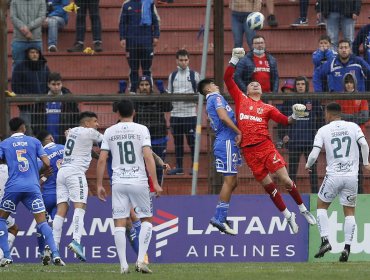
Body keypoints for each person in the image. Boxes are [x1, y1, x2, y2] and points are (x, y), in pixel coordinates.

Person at [224, 48, 316, 233]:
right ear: (247, 90)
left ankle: (303, 209)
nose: (255, 85)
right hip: (249, 152)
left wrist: (295, 116)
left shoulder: (267, 108)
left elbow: (285, 120)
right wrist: (234, 59)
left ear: (262, 91)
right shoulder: (241, 99)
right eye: (251, 84)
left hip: (266, 147)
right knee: (270, 187)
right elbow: (227, 79)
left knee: (286, 180)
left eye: (257, 84)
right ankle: (288, 216)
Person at [96, 99, 163, 274]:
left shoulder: (109, 131)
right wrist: (155, 182)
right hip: (138, 180)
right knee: (146, 219)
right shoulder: (142, 129)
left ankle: (123, 265)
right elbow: (148, 157)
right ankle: (141, 260)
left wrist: (99, 184)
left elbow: (102, 159)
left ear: (117, 113)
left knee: (119, 222)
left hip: (118, 181)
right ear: (134, 112)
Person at [305, 102, 370, 262]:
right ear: (340, 113)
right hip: (351, 177)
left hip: (333, 176)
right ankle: (347, 248)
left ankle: (325, 241)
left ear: (328, 114)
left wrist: (308, 165)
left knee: (321, 206)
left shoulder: (323, 130)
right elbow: (363, 143)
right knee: (349, 212)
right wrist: (366, 162)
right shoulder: (353, 126)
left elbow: (314, 153)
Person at [0, 117, 64, 266]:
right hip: (32, 187)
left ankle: (7, 256)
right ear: (24, 127)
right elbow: (47, 162)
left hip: (13, 187)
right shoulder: (34, 141)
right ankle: (55, 254)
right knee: (42, 222)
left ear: (11, 130)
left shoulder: (4, 144)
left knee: (2, 219)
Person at [52, 111, 103, 262]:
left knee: (61, 210)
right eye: (95, 121)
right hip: (76, 172)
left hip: (62, 173)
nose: (97, 124)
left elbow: (85, 149)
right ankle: (76, 241)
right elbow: (107, 141)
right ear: (87, 123)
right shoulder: (89, 132)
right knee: (80, 207)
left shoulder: (72, 131)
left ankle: (54, 249)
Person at [198, 78, 242, 235]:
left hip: (225, 141)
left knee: (233, 181)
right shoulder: (216, 97)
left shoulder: (211, 101)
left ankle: (220, 216)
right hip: (226, 142)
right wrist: (238, 131)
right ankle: (219, 217)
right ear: (208, 89)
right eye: (214, 84)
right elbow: (223, 116)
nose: (217, 86)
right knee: (230, 180)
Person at [280, 76, 324, 193]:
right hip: (294, 141)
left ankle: (315, 194)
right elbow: (281, 120)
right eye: (298, 84)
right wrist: (283, 135)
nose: (300, 86)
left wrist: (319, 136)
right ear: (295, 86)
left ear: (306, 86)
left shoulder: (313, 100)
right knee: (292, 171)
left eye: (302, 84)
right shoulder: (288, 101)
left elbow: (321, 120)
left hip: (310, 141)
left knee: (312, 170)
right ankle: (291, 194)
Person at [133, 76, 172, 184]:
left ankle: (157, 188)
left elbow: (168, 107)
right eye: (142, 85)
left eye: (147, 84)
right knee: (140, 166)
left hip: (159, 139)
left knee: (159, 166)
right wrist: (122, 93)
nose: (144, 87)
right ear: (138, 87)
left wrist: (163, 91)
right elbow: (118, 108)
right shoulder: (134, 100)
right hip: (140, 140)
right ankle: (143, 189)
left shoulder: (158, 98)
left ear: (150, 86)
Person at [166, 49, 200, 175]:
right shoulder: (172, 76)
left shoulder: (194, 75)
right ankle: (179, 167)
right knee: (178, 143)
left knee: (192, 143)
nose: (184, 62)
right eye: (181, 60)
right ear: (177, 60)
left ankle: (194, 167)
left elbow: (200, 93)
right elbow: (169, 93)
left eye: (186, 60)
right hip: (175, 115)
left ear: (189, 60)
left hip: (190, 115)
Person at [336, 73, 369, 194]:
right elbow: (337, 116)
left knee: (358, 167)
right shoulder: (339, 98)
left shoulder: (361, 97)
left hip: (358, 137)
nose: (349, 85)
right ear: (344, 84)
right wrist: (355, 117)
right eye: (347, 82)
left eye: (351, 82)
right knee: (343, 166)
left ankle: (359, 192)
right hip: (343, 138)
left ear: (355, 83)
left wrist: (346, 118)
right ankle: (344, 192)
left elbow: (365, 117)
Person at [35, 130, 64, 265]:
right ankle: (54, 253)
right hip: (62, 195)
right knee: (55, 224)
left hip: (46, 194)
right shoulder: (64, 148)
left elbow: (34, 174)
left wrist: (44, 177)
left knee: (41, 223)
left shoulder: (41, 155)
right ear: (52, 138)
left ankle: (43, 252)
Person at [119, 0, 160, 93]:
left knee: (147, 69)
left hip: (146, 43)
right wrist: (122, 37)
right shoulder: (126, 5)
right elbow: (122, 23)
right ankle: (133, 90)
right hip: (132, 43)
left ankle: (149, 90)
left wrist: (156, 36)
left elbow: (155, 21)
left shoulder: (149, 3)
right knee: (133, 69)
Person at [11, 47, 50, 136]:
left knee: (41, 130)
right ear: (27, 54)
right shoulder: (20, 67)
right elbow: (15, 86)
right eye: (32, 52)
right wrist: (28, 97)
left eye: (37, 52)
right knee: (26, 129)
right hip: (26, 106)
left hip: (41, 106)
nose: (35, 54)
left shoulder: (44, 67)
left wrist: (43, 95)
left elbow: (49, 82)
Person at [32, 72, 80, 144]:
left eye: (58, 84)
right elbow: (34, 120)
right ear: (48, 84)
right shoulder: (41, 101)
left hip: (64, 139)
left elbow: (75, 118)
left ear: (61, 84)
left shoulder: (70, 100)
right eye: (53, 84)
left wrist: (71, 134)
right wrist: (40, 135)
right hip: (45, 140)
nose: (56, 87)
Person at [10, 0, 46, 65]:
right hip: (19, 40)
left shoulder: (41, 1)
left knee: (38, 68)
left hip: (35, 39)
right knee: (17, 68)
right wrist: (25, 29)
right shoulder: (14, 1)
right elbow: (13, 17)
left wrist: (26, 28)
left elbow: (42, 17)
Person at [0, 163, 19, 261]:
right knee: (13, 229)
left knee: (13, 228)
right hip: (2, 205)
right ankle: (3, 255)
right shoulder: (9, 168)